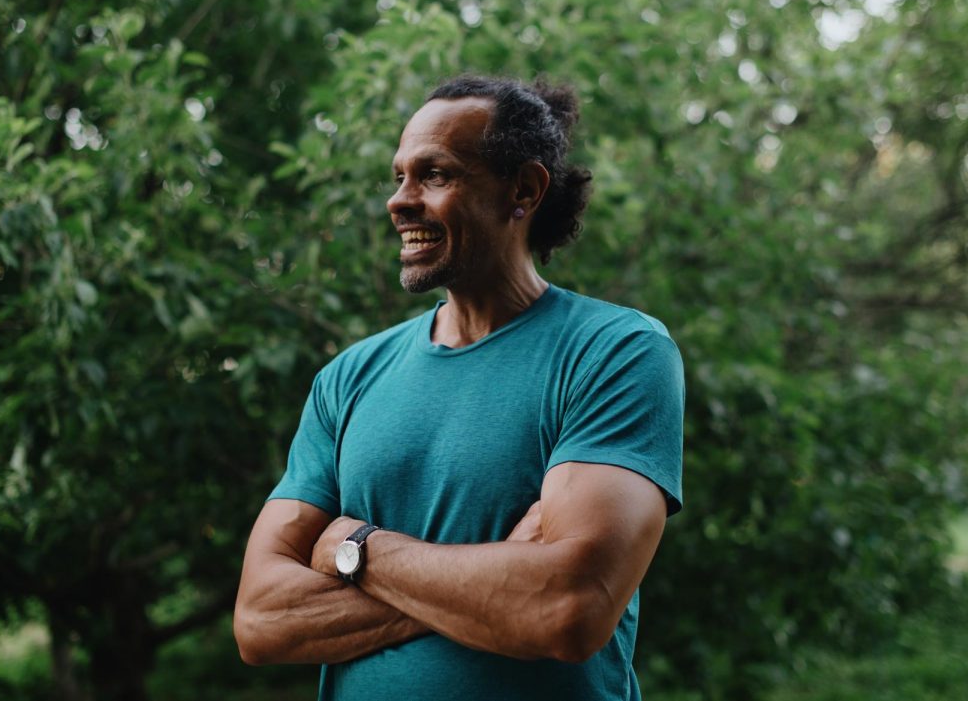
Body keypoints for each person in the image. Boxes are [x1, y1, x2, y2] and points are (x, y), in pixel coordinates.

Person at [234, 75, 685, 701]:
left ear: (522, 191)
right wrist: (497, 582)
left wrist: (356, 550)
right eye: (398, 177)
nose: (400, 200)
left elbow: (567, 608)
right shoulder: (349, 378)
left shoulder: (613, 351)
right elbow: (260, 620)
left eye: (435, 175)